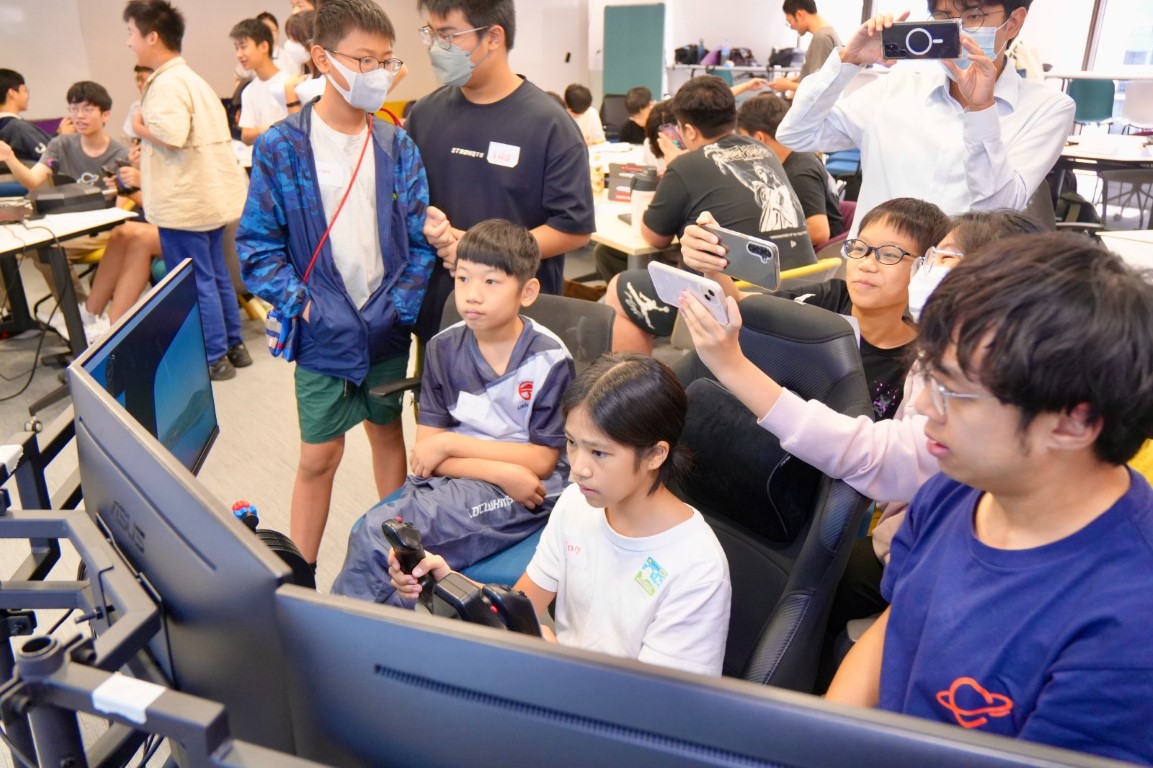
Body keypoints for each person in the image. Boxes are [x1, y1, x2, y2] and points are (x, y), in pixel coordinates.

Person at [825, 232, 1153, 763]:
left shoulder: (1129, 625)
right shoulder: (955, 489)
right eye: (928, 375)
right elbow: (897, 627)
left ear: (1074, 422)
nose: (925, 407)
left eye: (953, 391)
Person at [679, 209, 1042, 685]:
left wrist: (732, 367)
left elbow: (877, 456)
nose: (868, 264)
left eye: (938, 260)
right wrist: (714, 271)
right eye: (860, 248)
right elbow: (747, 317)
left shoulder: (987, 390)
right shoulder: (836, 305)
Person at [238, 0, 435, 569]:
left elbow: (420, 240)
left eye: (386, 61)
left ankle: (402, 561)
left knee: (387, 434)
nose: (378, 73)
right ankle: (301, 575)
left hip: (385, 325)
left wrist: (399, 307)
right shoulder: (282, 146)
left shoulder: (397, 145)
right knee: (318, 456)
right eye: (364, 60)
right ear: (322, 58)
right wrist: (304, 307)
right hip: (321, 329)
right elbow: (256, 247)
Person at [389, 352, 732, 677]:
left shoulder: (697, 568)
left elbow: (663, 707)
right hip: (560, 684)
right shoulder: (576, 504)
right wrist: (445, 579)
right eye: (572, 443)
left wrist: (558, 661)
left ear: (656, 454)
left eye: (599, 452)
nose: (578, 468)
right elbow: (522, 603)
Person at [331, 219, 575, 604]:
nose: (472, 295)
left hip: (528, 490)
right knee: (381, 540)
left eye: (491, 282)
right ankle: (362, 631)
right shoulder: (443, 347)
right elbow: (428, 454)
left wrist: (449, 445)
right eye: (463, 279)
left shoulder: (548, 359)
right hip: (483, 477)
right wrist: (495, 469)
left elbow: (543, 460)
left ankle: (343, 629)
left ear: (527, 292)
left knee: (381, 540)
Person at [776, 1, 1075, 233]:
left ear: (1014, 22)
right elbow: (796, 134)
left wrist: (981, 109)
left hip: (956, 281)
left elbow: (997, 211)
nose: (957, 30)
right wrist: (847, 60)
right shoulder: (895, 89)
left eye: (973, 16)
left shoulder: (1047, 108)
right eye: (943, 17)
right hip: (871, 272)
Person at [407, 0, 594, 345]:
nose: (435, 47)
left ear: (493, 37)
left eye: (448, 35)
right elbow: (406, 201)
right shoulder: (425, 114)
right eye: (431, 34)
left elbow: (573, 229)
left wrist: (480, 253)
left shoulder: (549, 123)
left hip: (518, 321)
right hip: (440, 312)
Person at [604, 75, 817, 355]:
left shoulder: (685, 165)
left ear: (689, 131)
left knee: (619, 288)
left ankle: (640, 382)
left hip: (735, 302)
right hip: (799, 290)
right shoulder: (763, 150)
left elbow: (654, 237)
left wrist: (674, 170)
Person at [124, 0, 252, 381]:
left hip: (185, 204)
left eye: (131, 33)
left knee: (197, 280)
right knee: (216, 274)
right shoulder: (192, 78)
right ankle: (234, 346)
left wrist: (137, 126)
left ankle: (214, 356)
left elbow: (172, 135)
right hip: (208, 198)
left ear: (152, 36)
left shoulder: (165, 83)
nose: (129, 42)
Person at [0, 81, 132, 339]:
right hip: (68, 226)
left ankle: (82, 317)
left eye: (87, 109)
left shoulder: (120, 153)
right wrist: (10, 158)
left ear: (105, 115)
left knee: (51, 249)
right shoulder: (60, 145)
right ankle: (80, 315)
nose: (79, 116)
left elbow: (127, 200)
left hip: (103, 230)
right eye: (73, 109)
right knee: (38, 248)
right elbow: (33, 180)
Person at [737, 93, 843, 246]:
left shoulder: (800, 173)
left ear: (759, 138)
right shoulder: (797, 155)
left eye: (744, 138)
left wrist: (765, 239)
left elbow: (819, 232)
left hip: (819, 253)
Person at [231, 18, 289, 145]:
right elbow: (246, 136)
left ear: (264, 46)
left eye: (243, 47)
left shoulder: (287, 83)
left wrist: (261, 131)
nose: (239, 54)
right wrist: (268, 129)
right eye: (236, 48)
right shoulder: (248, 91)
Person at [770, 0, 842, 95]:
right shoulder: (826, 34)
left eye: (789, 21)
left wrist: (788, 86)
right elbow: (817, 75)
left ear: (799, 15)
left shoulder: (822, 38)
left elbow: (819, 87)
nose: (791, 27)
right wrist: (795, 79)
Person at [0, 69, 50, 167]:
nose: (28, 96)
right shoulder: (19, 128)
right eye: (25, 91)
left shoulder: (8, 127)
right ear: (12, 93)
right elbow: (51, 160)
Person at [123, 65, 154, 139]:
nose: (139, 84)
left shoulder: (165, 105)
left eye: (142, 80)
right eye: (137, 80)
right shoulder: (136, 106)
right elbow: (129, 132)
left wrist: (137, 126)